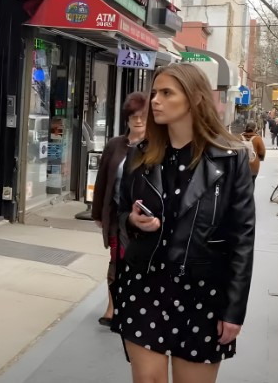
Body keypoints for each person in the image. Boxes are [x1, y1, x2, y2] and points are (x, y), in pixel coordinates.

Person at [112, 63, 255, 383]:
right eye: (154, 93)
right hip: (144, 285)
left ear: (194, 98)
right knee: (148, 379)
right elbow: (120, 213)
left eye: (166, 93)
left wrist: (234, 311)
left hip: (203, 293)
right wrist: (132, 221)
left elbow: (242, 239)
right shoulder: (140, 155)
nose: (156, 101)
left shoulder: (230, 158)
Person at [92, 91, 149, 327]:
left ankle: (134, 306)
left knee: (136, 263)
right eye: (132, 116)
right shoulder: (115, 145)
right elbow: (103, 181)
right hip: (117, 215)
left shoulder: (155, 147)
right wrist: (98, 214)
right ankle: (112, 307)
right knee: (115, 260)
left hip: (142, 219)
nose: (137, 121)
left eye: (142, 116)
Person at [240, 121, 266, 185]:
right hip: (253, 166)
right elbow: (262, 152)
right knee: (251, 183)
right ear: (255, 128)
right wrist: (260, 158)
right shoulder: (257, 138)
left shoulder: (239, 137)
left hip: (240, 166)